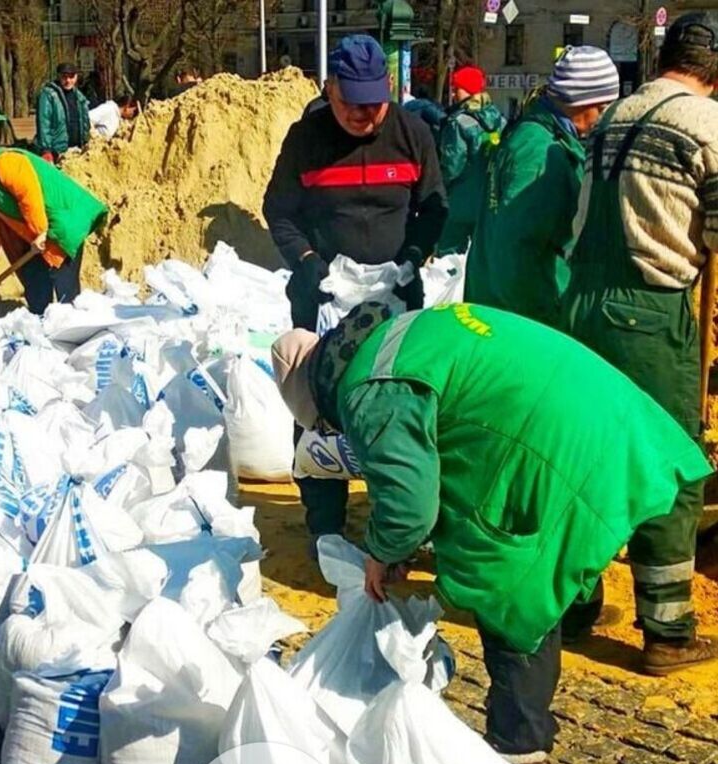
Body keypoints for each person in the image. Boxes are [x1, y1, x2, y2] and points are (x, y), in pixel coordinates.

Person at [269, 302, 710, 764]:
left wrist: (382, 552)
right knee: (554, 542)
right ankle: (577, 617)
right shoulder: (395, 337)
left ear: (317, 399)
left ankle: (520, 755)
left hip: (559, 443)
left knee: (508, 587)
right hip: (604, 411)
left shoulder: (367, 391)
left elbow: (410, 505)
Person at [557, 13, 718, 673]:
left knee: (589, 458)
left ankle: (573, 605)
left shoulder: (617, 115)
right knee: (669, 467)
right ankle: (668, 633)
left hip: (583, 306)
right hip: (651, 313)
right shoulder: (707, 125)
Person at [261, 33, 446, 546]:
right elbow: (279, 211)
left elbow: (434, 207)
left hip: (396, 291)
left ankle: (404, 513)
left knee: (399, 401)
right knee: (318, 402)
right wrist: (307, 263)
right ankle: (324, 520)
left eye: (376, 105)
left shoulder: (412, 134)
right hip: (322, 292)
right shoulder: (307, 139)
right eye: (354, 107)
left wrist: (413, 257)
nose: (366, 117)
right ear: (331, 90)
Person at [465, 46, 622, 322]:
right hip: (526, 319)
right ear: (585, 103)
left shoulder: (536, 136)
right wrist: (546, 319)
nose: (604, 117)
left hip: (502, 308)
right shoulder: (540, 152)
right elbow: (517, 250)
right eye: (604, 107)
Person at [0, 146, 109, 315]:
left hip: (59, 229)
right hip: (38, 239)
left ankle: (72, 335)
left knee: (66, 297)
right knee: (37, 294)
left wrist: (40, 232)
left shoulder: (5, 163)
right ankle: (43, 330)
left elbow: (28, 196)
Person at [436, 65, 506, 254]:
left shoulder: (458, 122)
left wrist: (439, 186)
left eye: (456, 88)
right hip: (490, 199)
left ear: (467, 89)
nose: (453, 93)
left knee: (447, 257)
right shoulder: (499, 119)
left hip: (460, 200)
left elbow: (452, 163)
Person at [33, 63, 90, 163]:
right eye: (64, 77)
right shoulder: (49, 95)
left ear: (76, 77)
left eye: (71, 77)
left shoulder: (80, 98)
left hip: (77, 152)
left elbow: (85, 123)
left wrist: (86, 142)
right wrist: (46, 150)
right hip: (57, 152)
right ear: (59, 76)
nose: (68, 81)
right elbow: (44, 123)